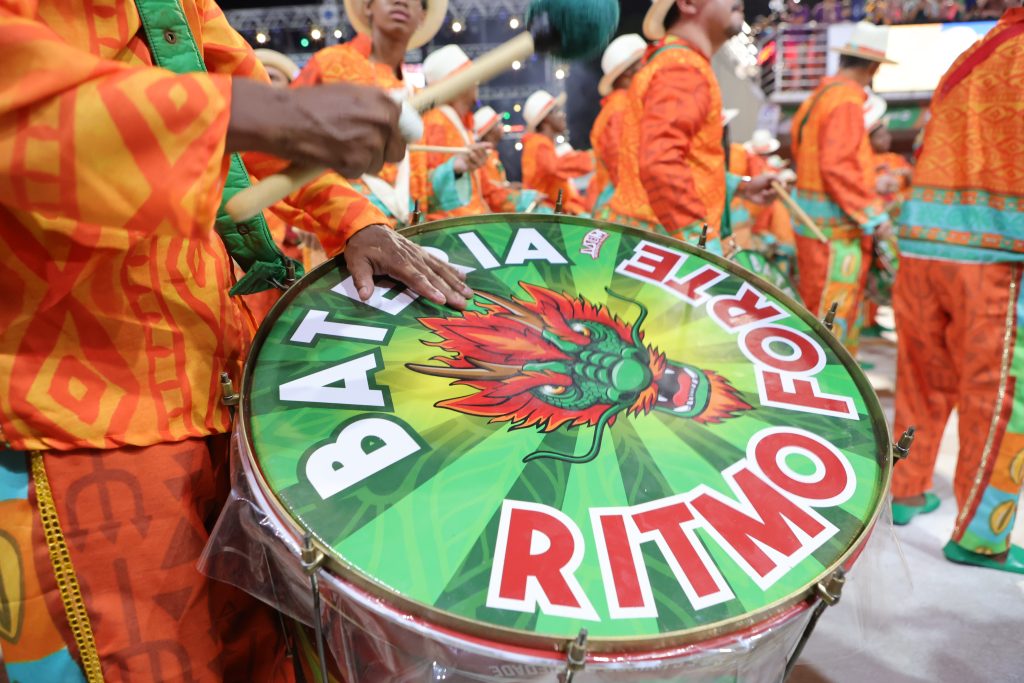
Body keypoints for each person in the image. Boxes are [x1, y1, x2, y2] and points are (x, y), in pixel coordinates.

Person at [0, 0, 470, 680]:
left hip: (230, 377)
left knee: (271, 655)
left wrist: (357, 219)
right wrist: (253, 113)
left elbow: (243, 94)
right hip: (90, 406)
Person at [890, 3, 1024, 573]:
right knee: (996, 397)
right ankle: (979, 535)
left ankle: (905, 487)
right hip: (996, 248)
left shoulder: (974, 54)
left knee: (922, 375)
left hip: (924, 243)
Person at [606, 0, 776, 253]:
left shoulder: (676, 61)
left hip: (652, 243)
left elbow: (687, 163)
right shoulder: (681, 65)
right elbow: (661, 162)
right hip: (666, 253)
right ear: (687, 3)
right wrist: (699, 245)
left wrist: (741, 186)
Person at [292, 0, 472, 226]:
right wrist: (311, 221)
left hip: (408, 243)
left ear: (422, 16)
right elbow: (284, 151)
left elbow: (421, 193)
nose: (401, 1)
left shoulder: (419, 98)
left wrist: (454, 170)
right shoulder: (330, 67)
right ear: (368, 6)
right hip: (341, 236)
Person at [790, 22, 894, 354]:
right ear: (874, 67)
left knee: (815, 313)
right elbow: (838, 166)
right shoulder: (847, 99)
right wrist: (874, 215)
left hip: (812, 229)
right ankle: (833, 393)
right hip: (837, 236)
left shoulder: (818, 97)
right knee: (834, 318)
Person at [418, 44, 494, 220]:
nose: (477, 82)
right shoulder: (434, 121)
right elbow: (419, 186)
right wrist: (454, 168)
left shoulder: (461, 126)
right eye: (470, 77)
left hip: (471, 224)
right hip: (451, 232)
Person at [588, 33, 647, 215]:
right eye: (644, 64)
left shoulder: (617, 107)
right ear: (628, 72)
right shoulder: (621, 109)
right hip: (624, 209)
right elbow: (621, 167)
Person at [520, 90, 594, 215]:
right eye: (557, 111)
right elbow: (557, 167)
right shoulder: (538, 144)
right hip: (544, 214)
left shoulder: (541, 144)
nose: (563, 115)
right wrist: (595, 158)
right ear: (546, 118)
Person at [473, 107, 542, 212]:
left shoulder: (491, 156)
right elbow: (491, 192)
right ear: (489, 131)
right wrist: (526, 198)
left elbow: (497, 185)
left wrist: (511, 186)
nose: (502, 126)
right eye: (498, 124)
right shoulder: (484, 158)